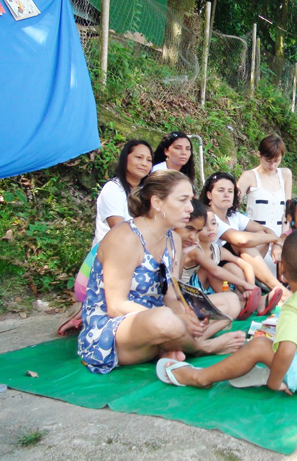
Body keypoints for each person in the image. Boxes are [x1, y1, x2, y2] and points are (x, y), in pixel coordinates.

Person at [78, 170, 246, 374]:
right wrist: (176, 319)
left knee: (230, 302)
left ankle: (174, 343)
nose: (189, 208)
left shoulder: (173, 239)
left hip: (160, 319)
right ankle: (201, 347)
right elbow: (116, 306)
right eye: (182, 200)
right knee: (165, 319)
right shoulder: (124, 238)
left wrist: (186, 316)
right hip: (115, 330)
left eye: (190, 200)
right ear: (157, 203)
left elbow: (170, 296)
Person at [156, 229, 297, 400]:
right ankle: (261, 371)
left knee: (260, 346)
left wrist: (274, 381)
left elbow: (286, 351)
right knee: (275, 339)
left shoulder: (294, 306)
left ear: (282, 268)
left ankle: (200, 378)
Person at [60, 140, 154, 335]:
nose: (144, 163)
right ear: (125, 158)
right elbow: (120, 231)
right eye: (138, 157)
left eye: (149, 160)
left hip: (136, 255)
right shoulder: (113, 190)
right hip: (111, 259)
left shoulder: (146, 194)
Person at [175, 199, 281, 318]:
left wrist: (250, 287)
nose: (210, 228)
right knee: (210, 269)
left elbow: (246, 265)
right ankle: (243, 304)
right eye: (205, 226)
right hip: (190, 293)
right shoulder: (195, 250)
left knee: (232, 267)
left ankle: (250, 299)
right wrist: (246, 285)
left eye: (214, 223)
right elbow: (215, 271)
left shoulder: (217, 249)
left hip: (208, 289)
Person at [200, 172, 288, 298]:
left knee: (259, 236)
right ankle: (275, 286)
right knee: (245, 244)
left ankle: (256, 294)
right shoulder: (209, 219)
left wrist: (276, 246)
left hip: (238, 265)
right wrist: (275, 239)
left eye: (230, 191)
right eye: (221, 190)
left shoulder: (234, 216)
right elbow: (241, 240)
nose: (226, 194)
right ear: (209, 195)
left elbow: (265, 229)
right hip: (215, 267)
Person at [237, 134, 292, 235]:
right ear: (259, 154)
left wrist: (283, 238)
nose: (272, 165)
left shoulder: (285, 175)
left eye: (276, 161)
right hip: (255, 237)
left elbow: (287, 211)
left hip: (278, 237)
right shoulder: (248, 176)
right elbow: (233, 206)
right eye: (268, 160)